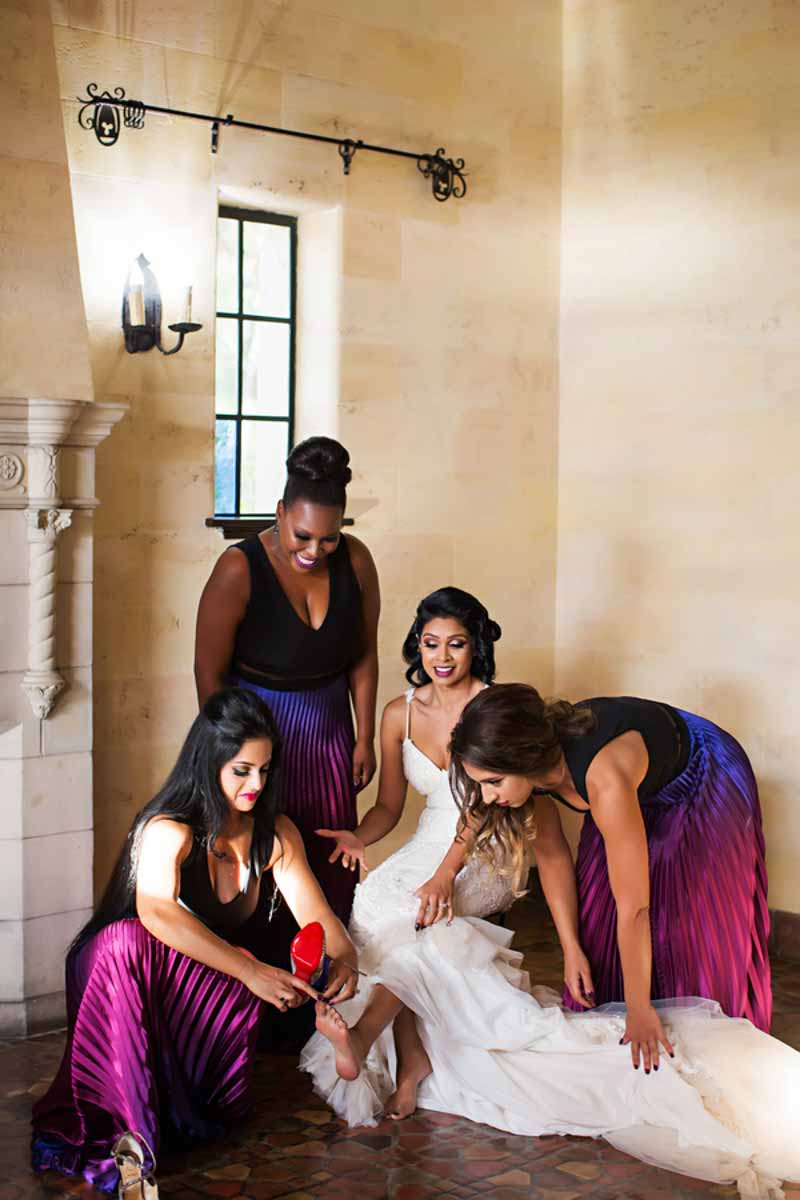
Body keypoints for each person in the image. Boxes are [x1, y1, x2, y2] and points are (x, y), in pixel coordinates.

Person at [31, 688, 358, 1196]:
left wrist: (345, 959)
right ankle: (127, 1141)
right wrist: (250, 971)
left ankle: (173, 1107)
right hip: (119, 971)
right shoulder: (169, 828)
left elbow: (317, 916)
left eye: (265, 770)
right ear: (210, 764)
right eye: (241, 770)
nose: (256, 784)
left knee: (243, 976)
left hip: (199, 972)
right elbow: (156, 911)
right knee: (125, 939)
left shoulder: (275, 835)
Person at [449, 685, 772, 1060]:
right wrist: (571, 949)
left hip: (703, 773)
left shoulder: (603, 779)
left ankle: (705, 1045)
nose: (488, 797)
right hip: (636, 782)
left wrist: (639, 1011)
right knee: (598, 933)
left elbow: (634, 908)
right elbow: (553, 857)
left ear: (524, 758)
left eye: (493, 783)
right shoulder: (533, 776)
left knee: (688, 920)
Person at [310, 587, 514, 1118]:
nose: (441, 657)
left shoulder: (493, 704)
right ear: (416, 646)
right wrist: (359, 835)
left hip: (486, 844)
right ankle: (413, 1057)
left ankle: (366, 1036)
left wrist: (447, 873)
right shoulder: (398, 713)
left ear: (476, 649)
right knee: (375, 900)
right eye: (430, 643)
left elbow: (485, 803)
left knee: (413, 913)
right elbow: (390, 807)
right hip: (429, 837)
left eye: (456, 644)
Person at [194, 436, 380, 960]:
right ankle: (260, 1005)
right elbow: (208, 672)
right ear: (279, 512)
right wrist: (224, 753)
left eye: (329, 539)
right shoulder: (239, 567)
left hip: (329, 736)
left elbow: (364, 656)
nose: (314, 551)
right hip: (260, 738)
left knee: (328, 861)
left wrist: (364, 736)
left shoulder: (359, 563)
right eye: (302, 535)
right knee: (261, 864)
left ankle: (318, 1001)